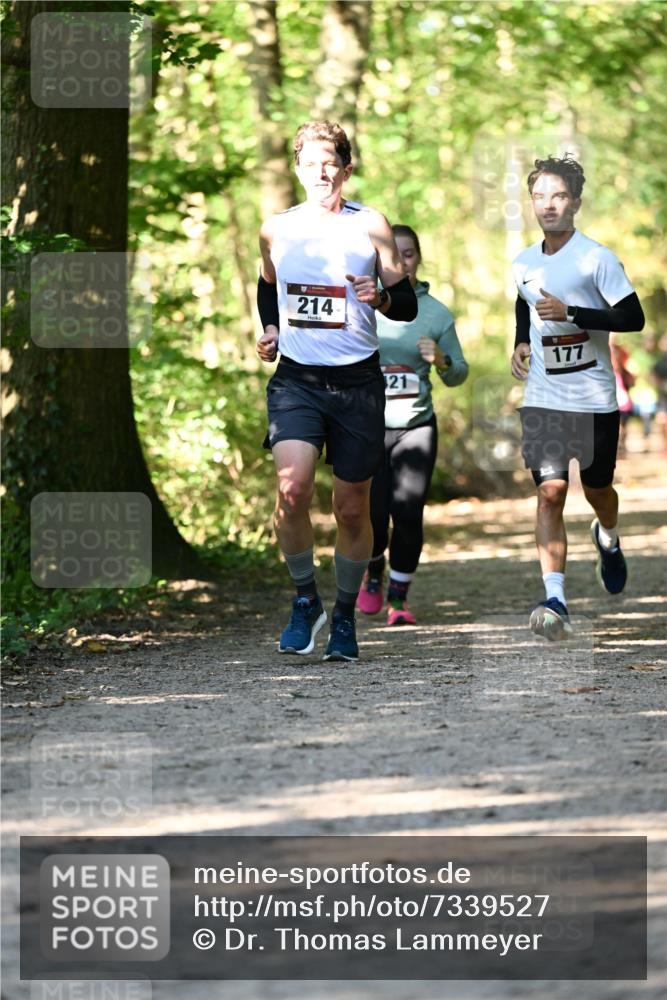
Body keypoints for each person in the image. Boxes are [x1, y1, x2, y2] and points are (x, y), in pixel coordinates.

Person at [256, 120, 417, 661]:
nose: (320, 172)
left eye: (331, 162)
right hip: (297, 380)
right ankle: (306, 601)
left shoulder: (370, 225)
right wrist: (272, 329)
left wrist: (382, 299)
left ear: (346, 168)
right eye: (310, 162)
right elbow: (267, 286)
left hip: (358, 382)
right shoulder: (276, 229)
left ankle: (344, 616)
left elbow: (407, 302)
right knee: (292, 489)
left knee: (353, 511)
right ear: (297, 168)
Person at [511, 154, 645, 640]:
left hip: (593, 397)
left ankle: (607, 535)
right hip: (544, 396)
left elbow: (633, 318)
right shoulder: (523, 261)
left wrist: (575, 312)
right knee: (550, 492)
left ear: (576, 202)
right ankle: (556, 599)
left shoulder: (597, 258)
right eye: (540, 196)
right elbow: (523, 306)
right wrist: (520, 343)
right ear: (532, 202)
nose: (549, 205)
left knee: (597, 491)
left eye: (559, 196)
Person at [356, 224, 468, 625]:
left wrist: (441, 359)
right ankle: (373, 573)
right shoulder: (362, 304)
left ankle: (399, 598)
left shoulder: (436, 313)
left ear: (418, 258)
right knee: (371, 514)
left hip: (416, 425)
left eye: (409, 253)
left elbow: (458, 373)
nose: (402, 260)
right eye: (394, 253)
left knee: (407, 511)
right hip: (368, 426)